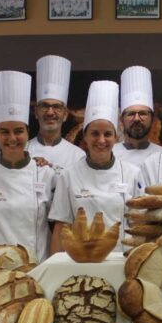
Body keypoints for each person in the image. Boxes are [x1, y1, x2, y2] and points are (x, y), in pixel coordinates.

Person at [0, 70, 56, 262]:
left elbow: (55, 223)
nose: (12, 138)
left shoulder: (47, 174)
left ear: (27, 133)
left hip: (37, 265)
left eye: (18, 131)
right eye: (5, 132)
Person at [49, 80, 139, 254]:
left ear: (116, 138)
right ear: (85, 137)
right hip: (79, 261)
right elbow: (61, 227)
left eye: (107, 134)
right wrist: (55, 269)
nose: (101, 140)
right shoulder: (69, 175)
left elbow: (139, 225)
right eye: (95, 134)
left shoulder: (132, 174)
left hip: (120, 260)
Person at [26, 55, 85, 174]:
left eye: (57, 107)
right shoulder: (23, 150)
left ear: (65, 114)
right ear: (36, 112)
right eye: (44, 106)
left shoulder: (78, 156)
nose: (50, 112)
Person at [112, 66, 162, 168]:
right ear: (121, 120)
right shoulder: (109, 155)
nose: (136, 119)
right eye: (131, 114)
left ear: (152, 119)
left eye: (143, 113)